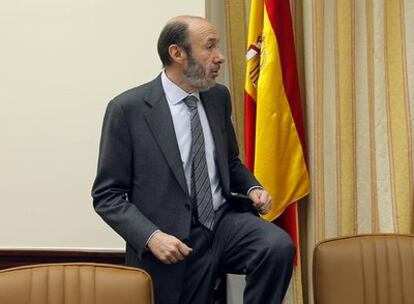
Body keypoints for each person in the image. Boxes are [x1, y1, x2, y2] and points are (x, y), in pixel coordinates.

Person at [92, 15, 294, 304]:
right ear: (177, 53)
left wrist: (252, 188)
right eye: (210, 47)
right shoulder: (128, 109)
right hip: (170, 236)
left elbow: (230, 161)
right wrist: (151, 237)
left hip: (223, 224)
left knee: (276, 246)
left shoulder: (217, 98)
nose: (220, 57)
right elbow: (107, 196)